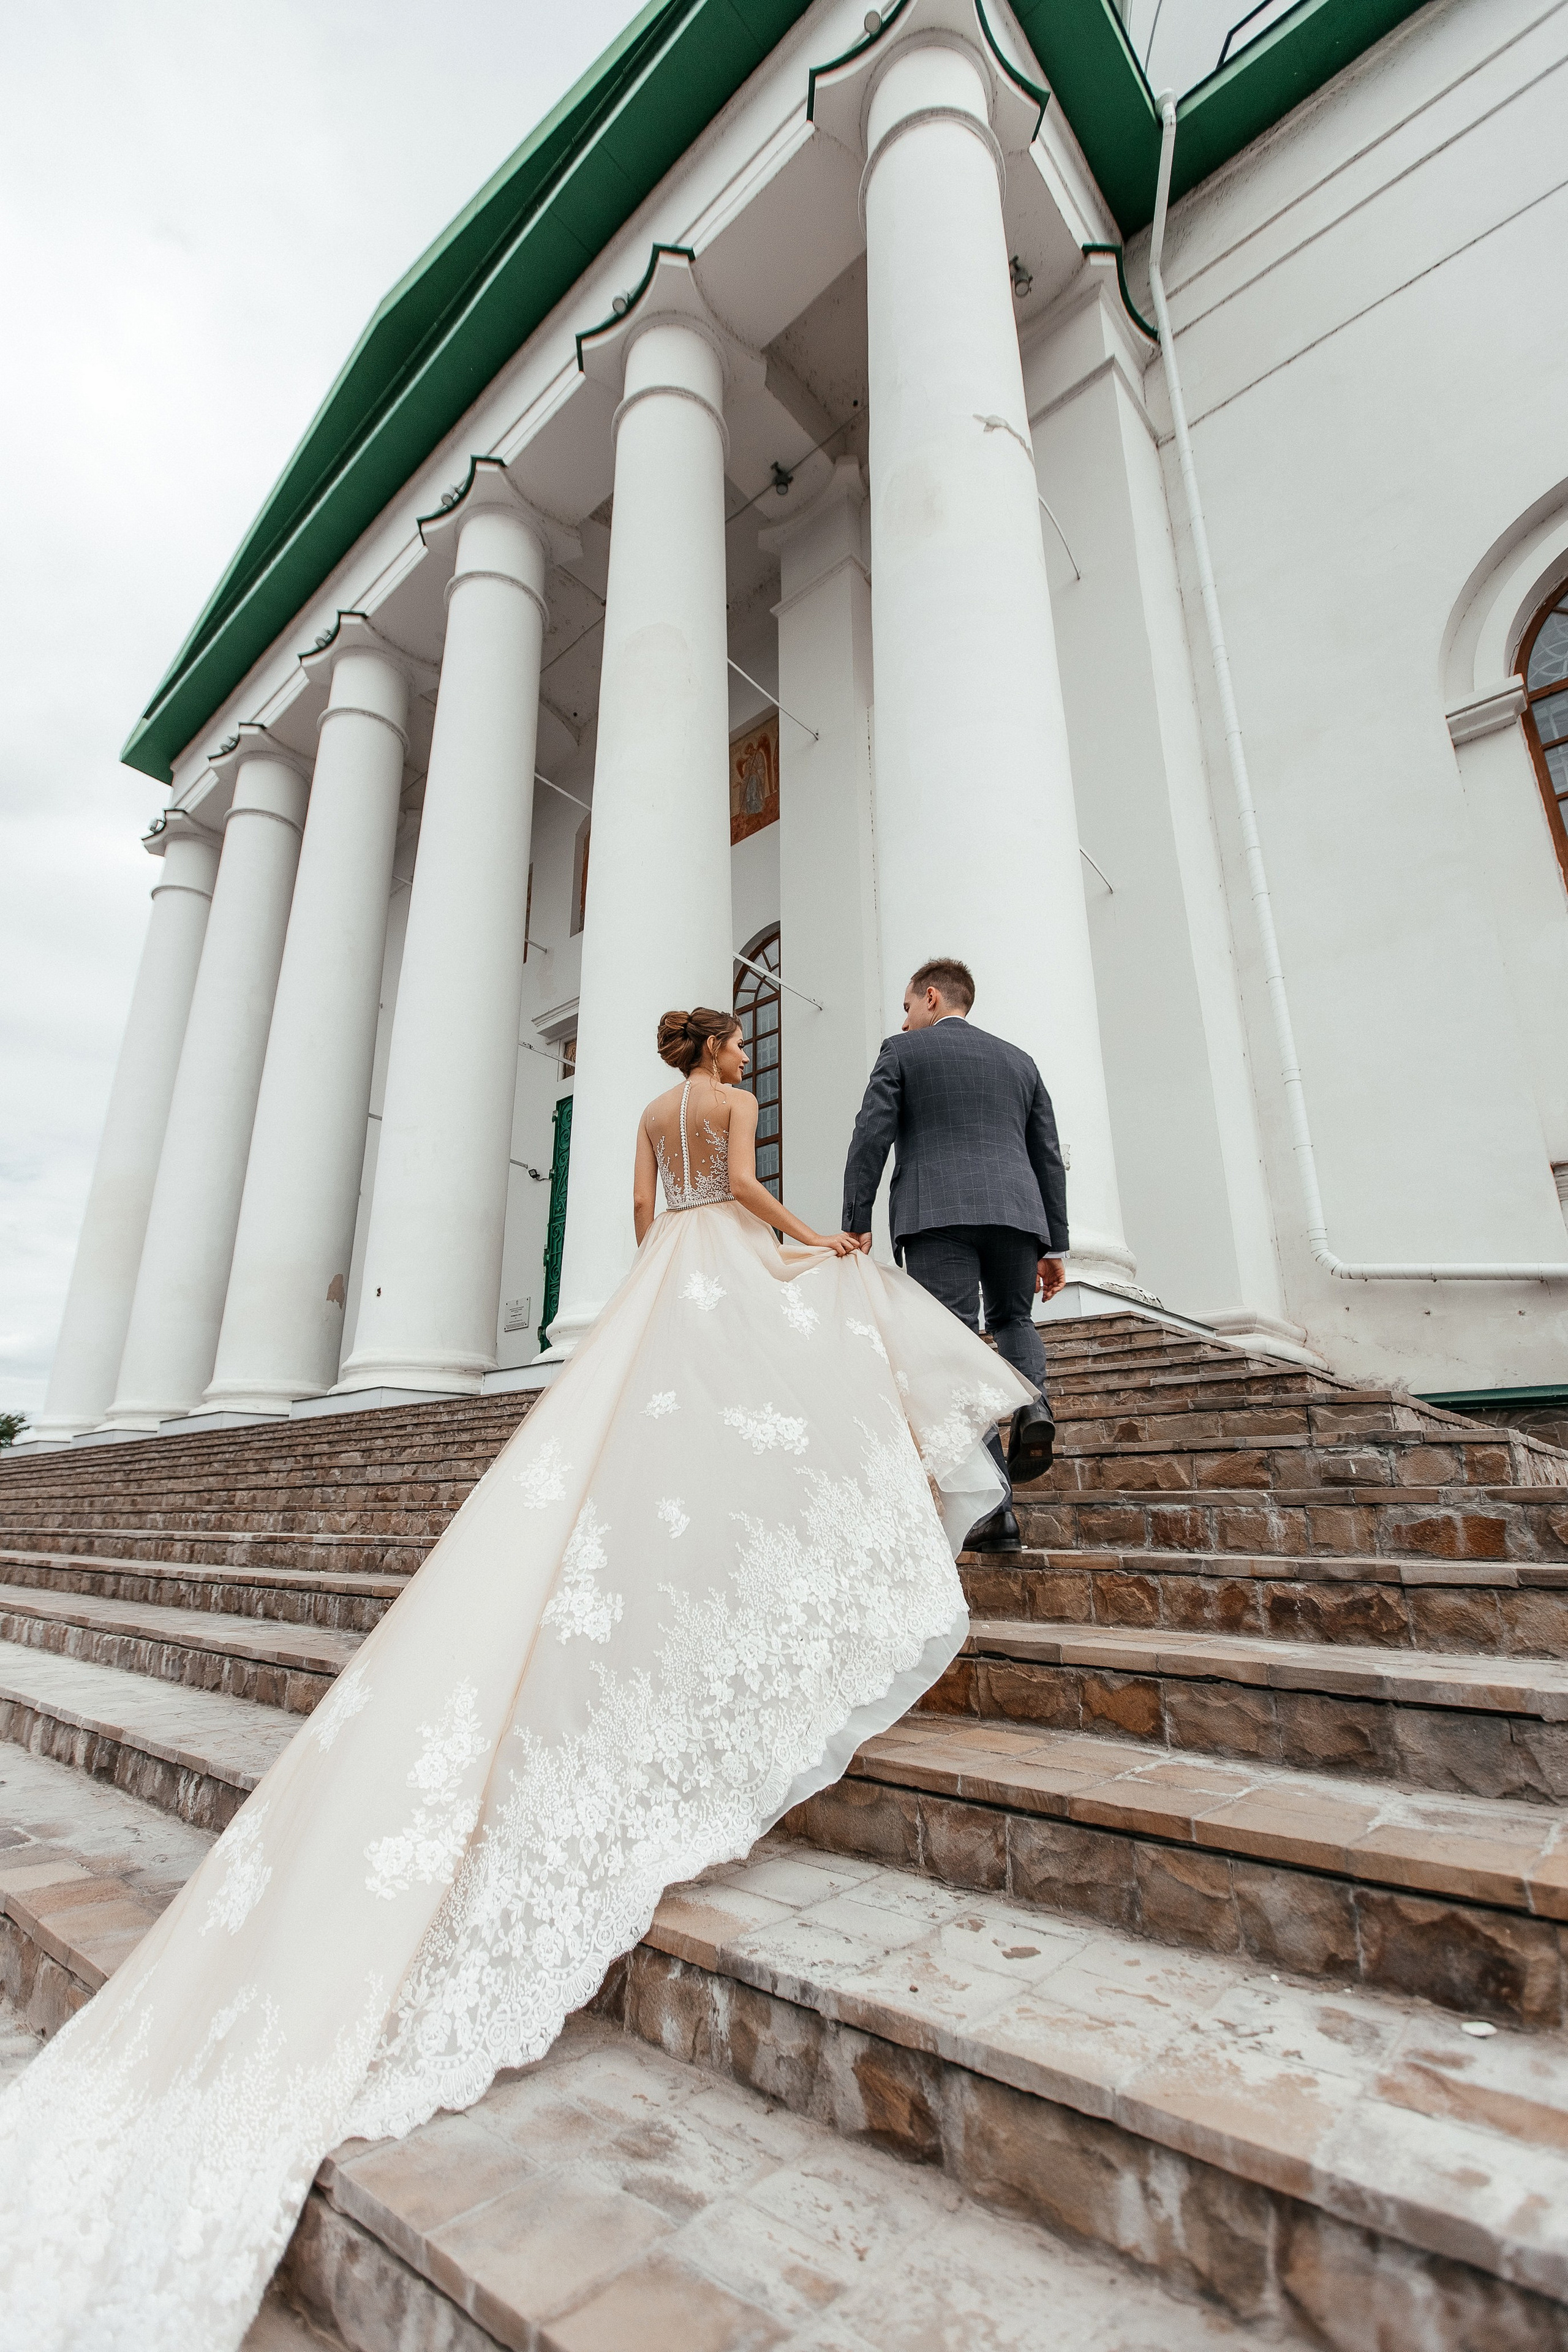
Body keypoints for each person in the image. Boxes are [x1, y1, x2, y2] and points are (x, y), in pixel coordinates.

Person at [0, 1004, 1034, 2352]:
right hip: (718, 1255)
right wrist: (811, 1243)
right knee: (744, 1418)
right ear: (720, 1055)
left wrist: (681, 1269)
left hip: (662, 1271)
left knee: (625, 1451)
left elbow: (643, 1213)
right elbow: (743, 1188)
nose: (740, 1068)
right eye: (737, 1051)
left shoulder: (640, 1118)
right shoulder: (719, 1111)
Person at [842, 957, 1067, 1554]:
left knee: (954, 1350)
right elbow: (1046, 1154)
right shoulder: (1020, 1062)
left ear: (932, 998)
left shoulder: (901, 1053)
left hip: (937, 1215)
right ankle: (1032, 1404)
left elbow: (870, 1138)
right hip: (1018, 1216)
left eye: (909, 1006)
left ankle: (995, 1510)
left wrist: (855, 1223)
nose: (906, 1018)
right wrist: (1053, 1243)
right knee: (1014, 1321)